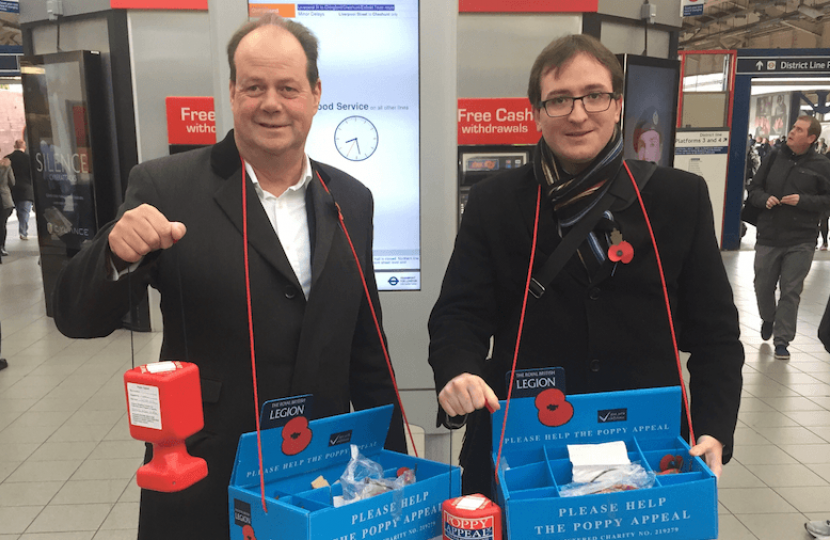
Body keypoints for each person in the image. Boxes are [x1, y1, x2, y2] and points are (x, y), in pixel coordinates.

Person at [51, 14, 405, 540]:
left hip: (322, 471)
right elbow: (77, 318)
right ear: (233, 91)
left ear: (315, 93)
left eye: (288, 87)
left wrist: (394, 465)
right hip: (206, 470)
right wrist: (114, 254)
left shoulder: (351, 198)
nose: (271, 103)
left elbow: (367, 346)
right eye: (254, 87)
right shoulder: (166, 185)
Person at [428, 34, 744, 499]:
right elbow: (460, 313)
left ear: (617, 104)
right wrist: (457, 370)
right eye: (558, 100)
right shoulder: (496, 202)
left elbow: (715, 334)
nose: (577, 114)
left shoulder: (677, 198)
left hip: (647, 447)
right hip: (525, 443)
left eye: (594, 95)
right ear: (536, 111)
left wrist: (714, 428)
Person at [746, 115, 830, 360]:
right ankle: (768, 317)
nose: (792, 132)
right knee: (762, 285)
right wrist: (765, 199)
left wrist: (803, 201)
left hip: (801, 238)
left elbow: (827, 199)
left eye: (799, 129)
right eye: (793, 127)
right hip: (769, 234)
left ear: (811, 138)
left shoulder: (822, 165)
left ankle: (782, 340)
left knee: (791, 290)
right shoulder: (774, 157)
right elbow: (754, 189)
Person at [5, 139, 33, 241]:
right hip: (25, 190)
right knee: (24, 213)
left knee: (6, 214)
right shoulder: (29, 158)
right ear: (24, 147)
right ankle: (23, 233)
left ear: (14, 146)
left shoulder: (7, 158)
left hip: (11, 190)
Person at [0, 155, 15, 257]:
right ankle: (1, 246)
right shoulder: (6, 166)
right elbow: (12, 182)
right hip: (4, 199)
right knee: (2, 224)